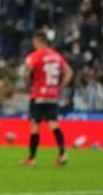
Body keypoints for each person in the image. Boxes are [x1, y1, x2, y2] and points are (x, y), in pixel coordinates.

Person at [23, 31, 73, 167]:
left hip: (38, 94)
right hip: (52, 95)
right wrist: (60, 86)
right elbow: (69, 72)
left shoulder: (34, 56)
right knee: (54, 124)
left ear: (38, 42)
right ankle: (63, 154)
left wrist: (28, 85)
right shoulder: (57, 56)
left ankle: (32, 158)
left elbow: (27, 73)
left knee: (35, 125)